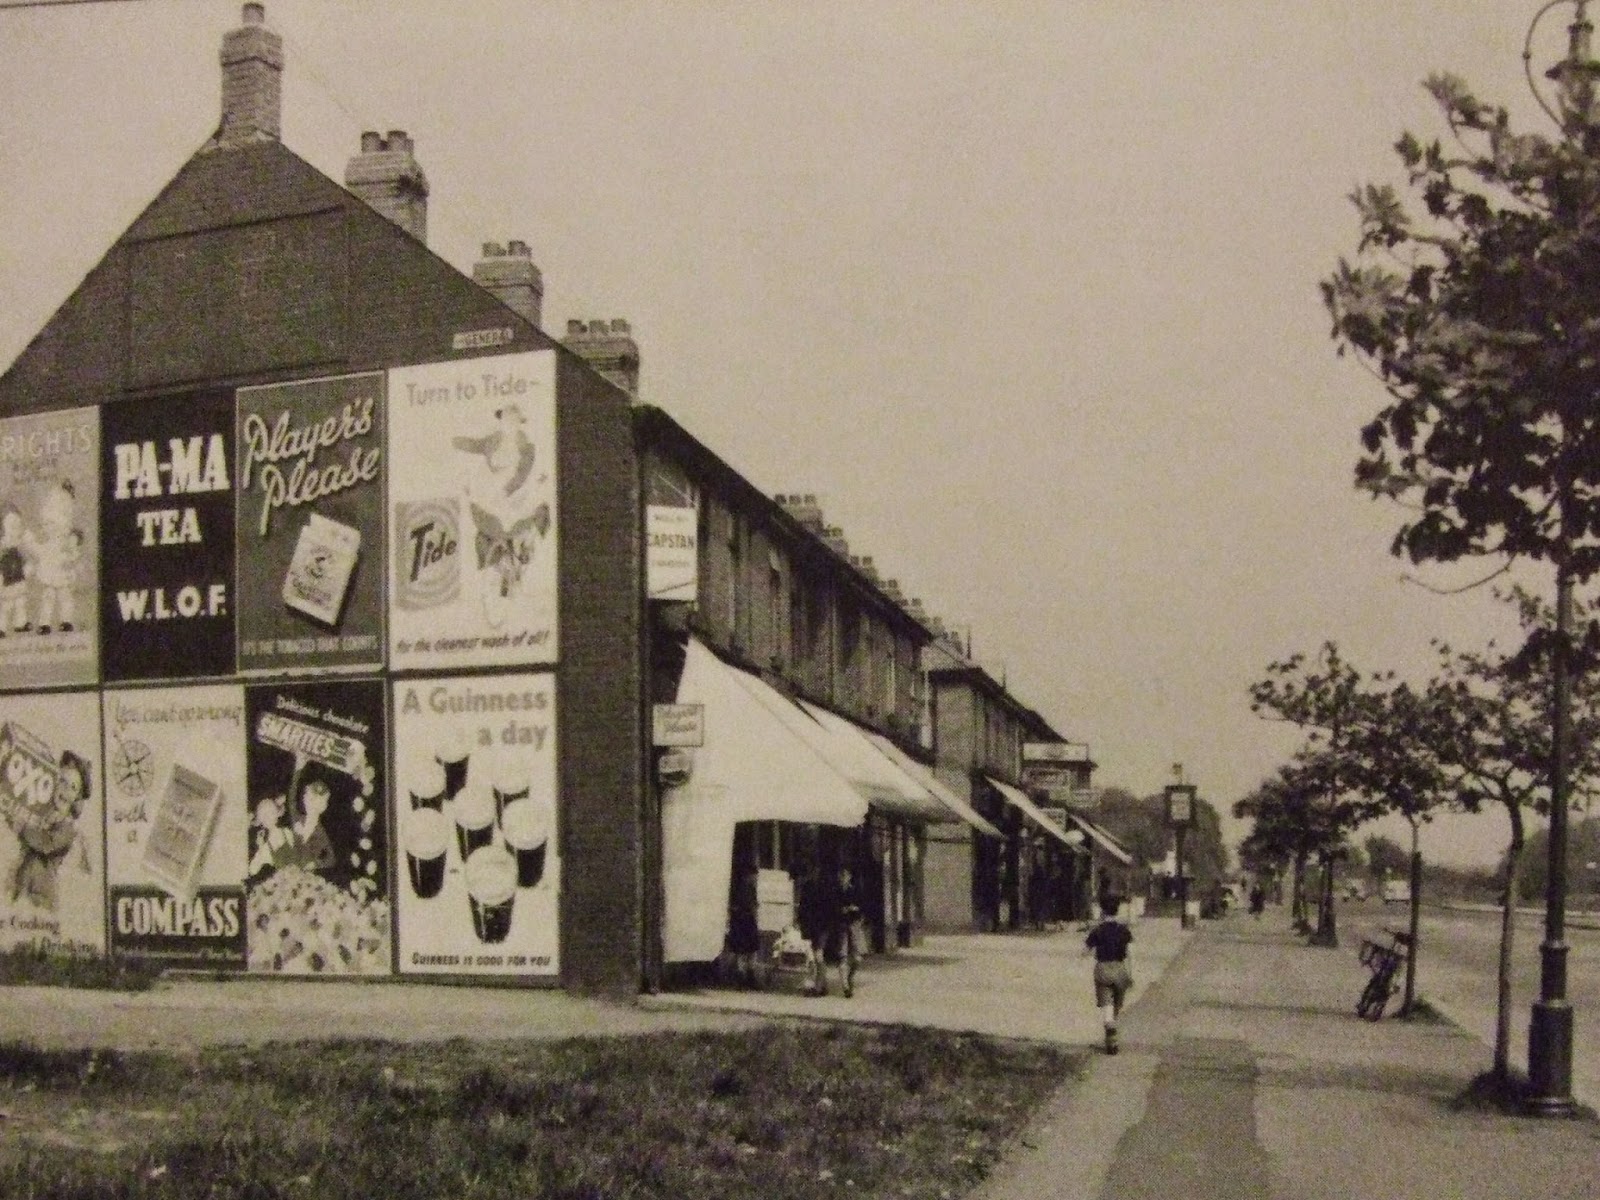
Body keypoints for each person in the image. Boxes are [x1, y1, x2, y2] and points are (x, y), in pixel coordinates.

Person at [1084, 896, 1134, 1054]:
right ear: (1117, 910)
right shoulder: (1124, 931)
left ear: (1103, 911)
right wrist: (1130, 975)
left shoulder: (1098, 930)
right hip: (1120, 969)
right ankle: (1111, 1032)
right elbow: (1130, 955)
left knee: (1107, 1005)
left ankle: (1110, 1032)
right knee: (1117, 1005)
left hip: (1103, 969)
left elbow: (1085, 950)